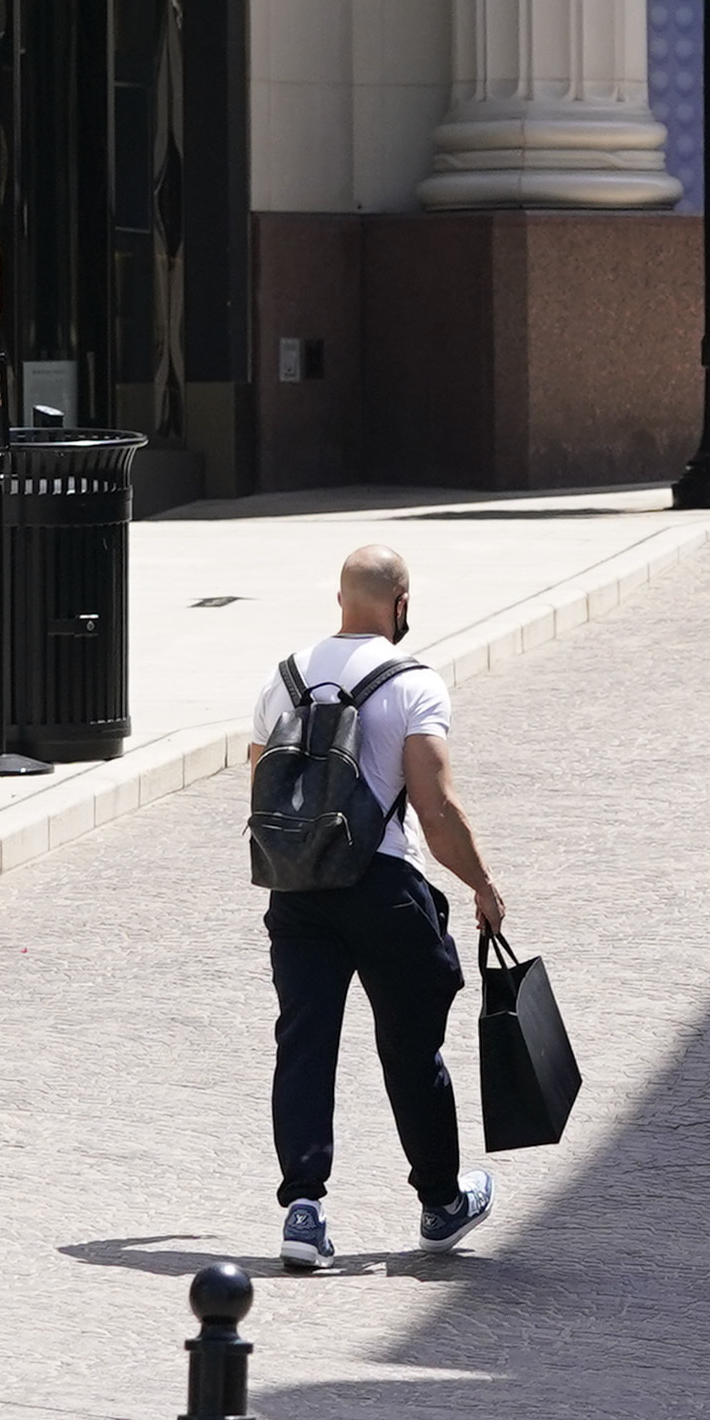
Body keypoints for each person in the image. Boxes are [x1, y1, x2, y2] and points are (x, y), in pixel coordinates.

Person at [246, 543, 507, 1274]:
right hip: (383, 885)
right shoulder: (413, 683)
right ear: (401, 603)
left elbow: (262, 782)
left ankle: (304, 1208)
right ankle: (440, 1200)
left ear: (339, 601)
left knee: (303, 1043)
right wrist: (481, 884)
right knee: (410, 1044)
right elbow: (436, 806)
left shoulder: (286, 674)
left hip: (296, 887)